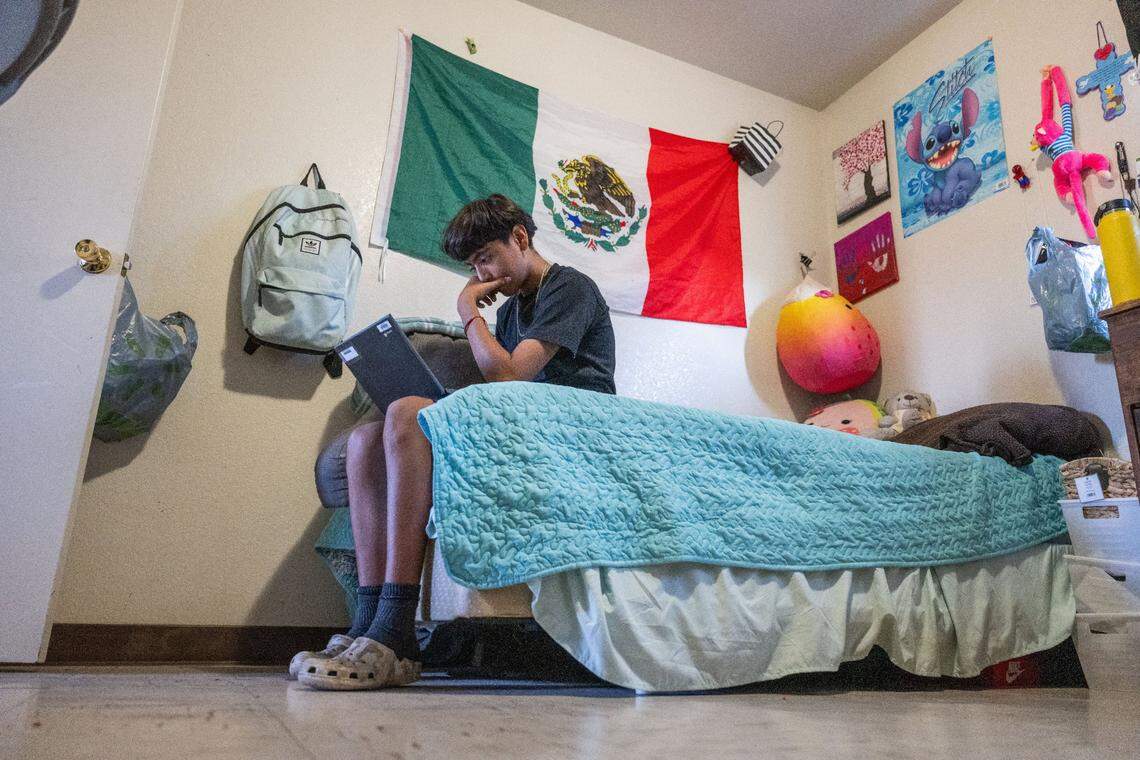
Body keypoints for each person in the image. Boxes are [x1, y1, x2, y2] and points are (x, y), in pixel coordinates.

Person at [292, 194, 616, 690]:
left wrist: (468, 312)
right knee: (362, 440)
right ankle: (369, 621)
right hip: (527, 419)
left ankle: (396, 626)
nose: (481, 274)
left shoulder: (568, 287)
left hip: (576, 422)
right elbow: (499, 391)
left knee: (406, 411)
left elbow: (507, 377)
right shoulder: (510, 315)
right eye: (472, 266)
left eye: (485, 257)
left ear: (521, 238)